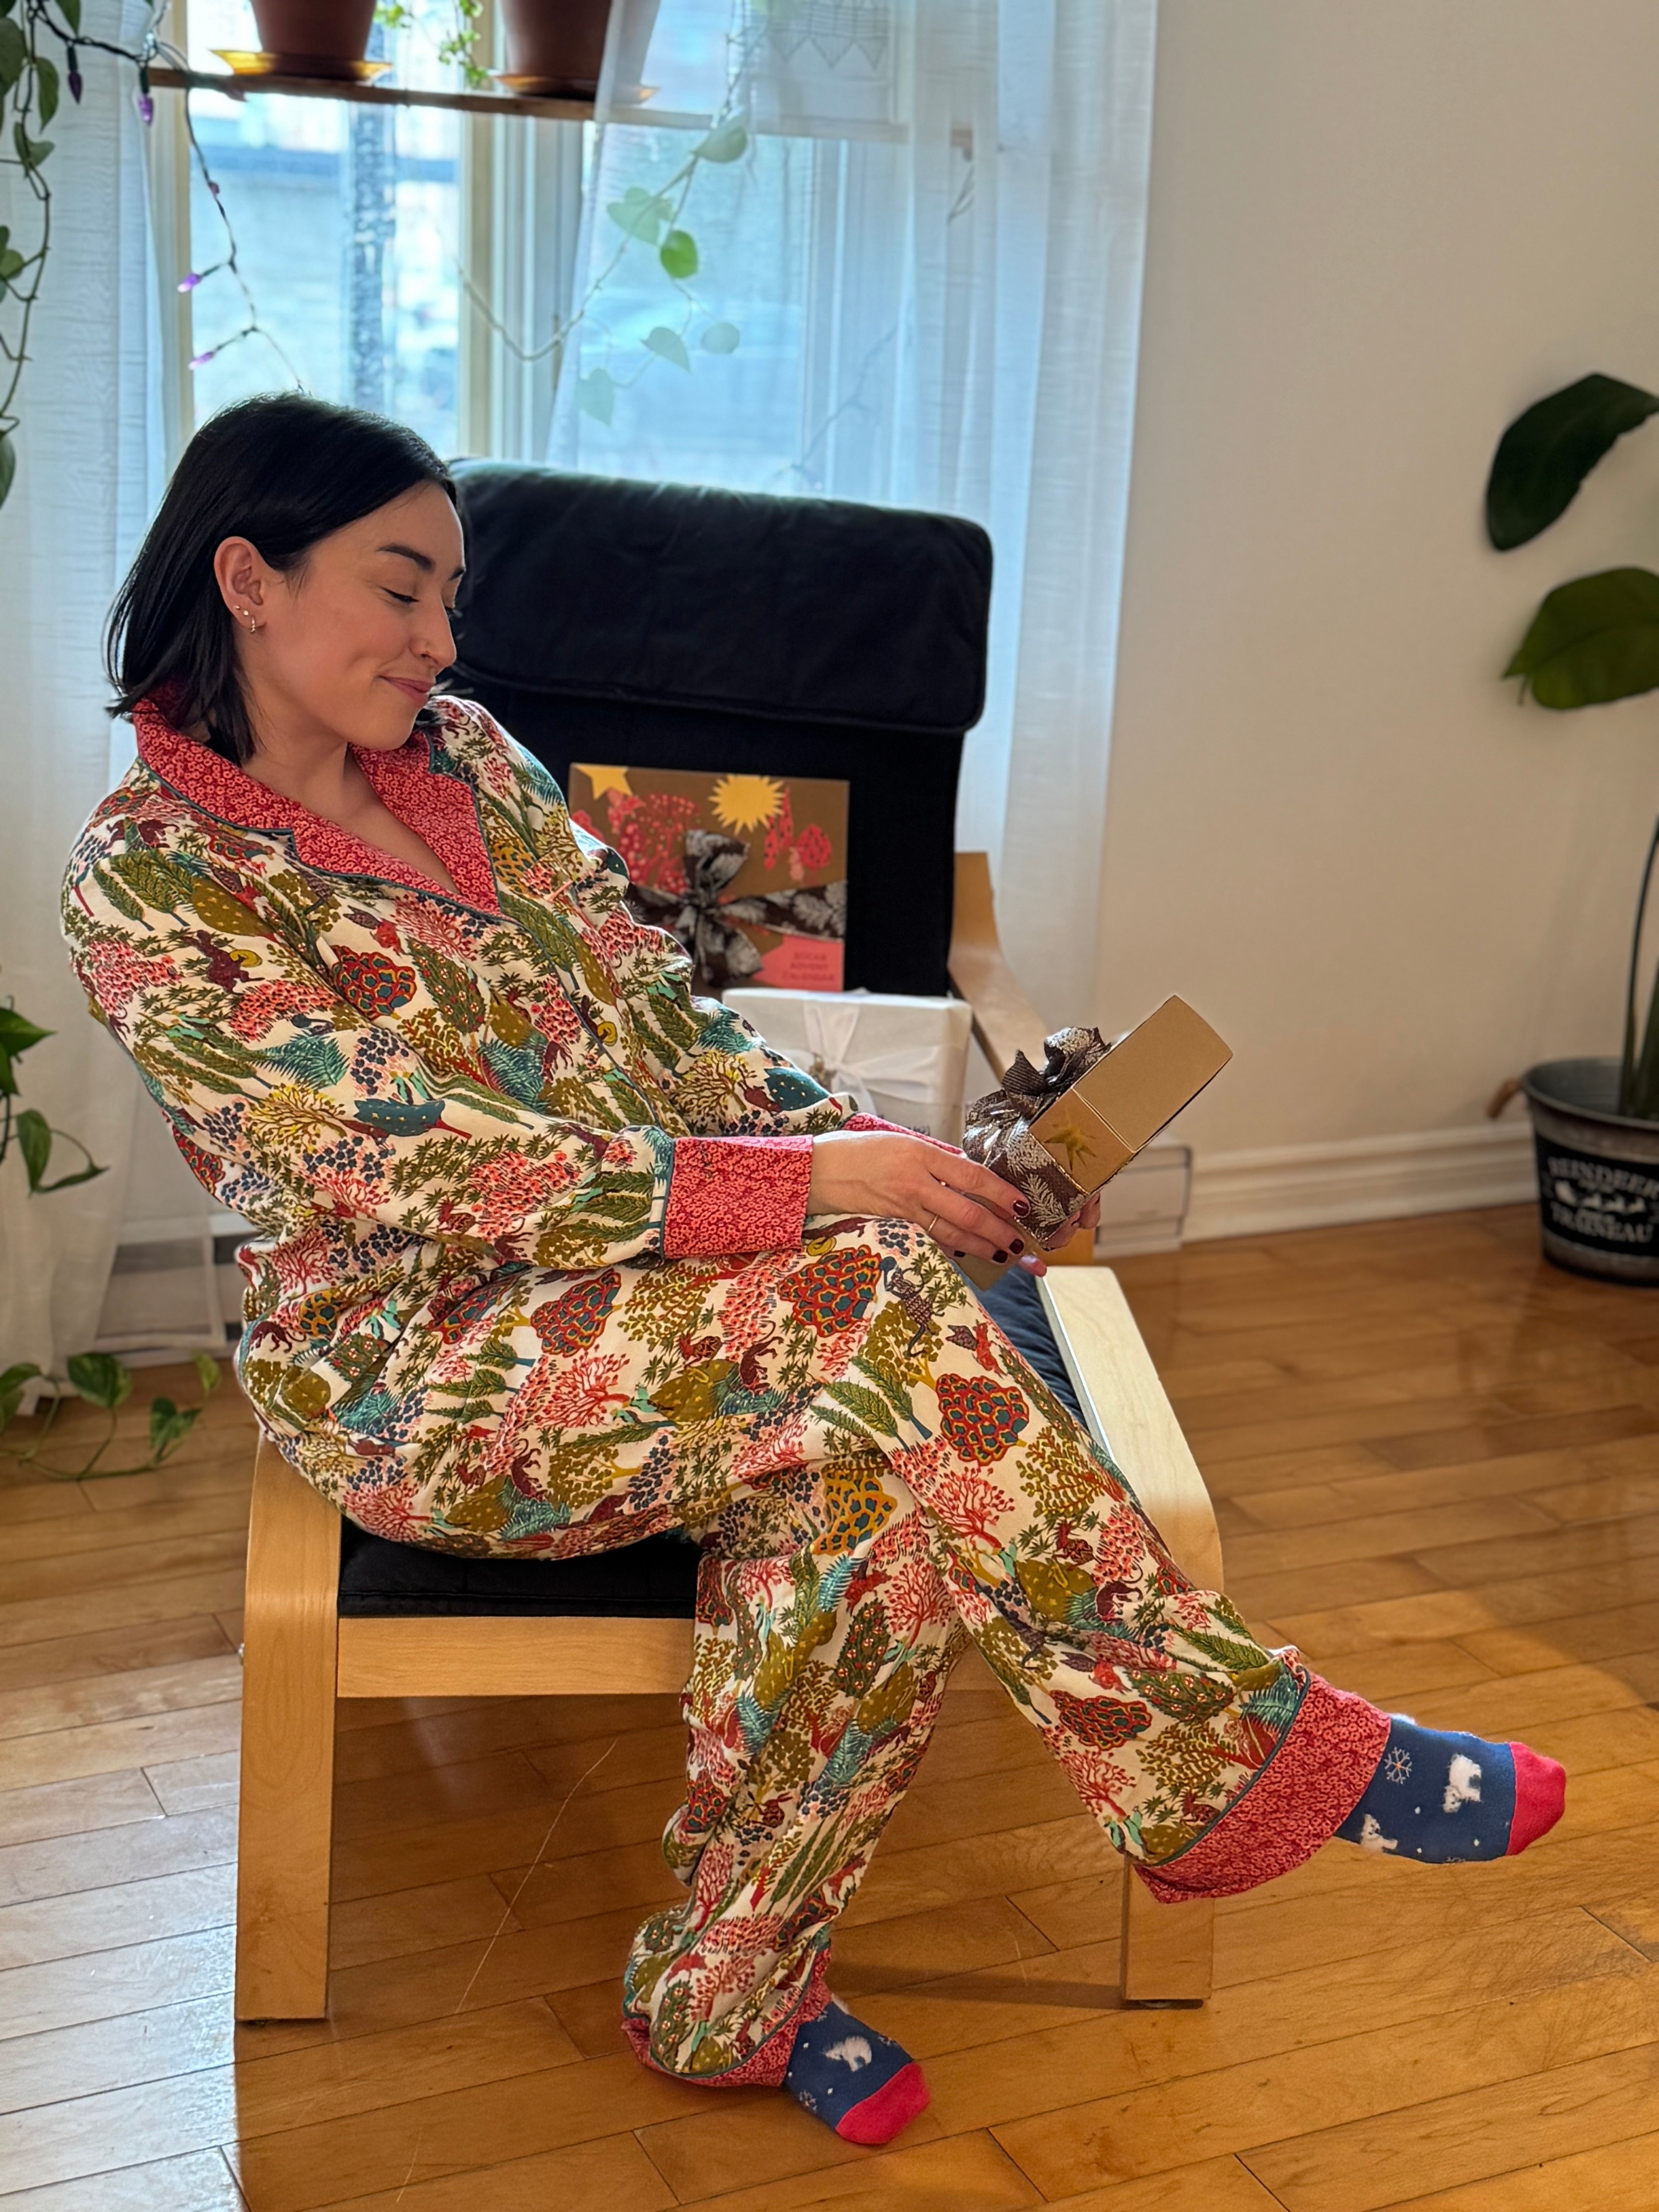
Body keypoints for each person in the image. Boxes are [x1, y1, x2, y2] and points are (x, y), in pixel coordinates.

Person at [64, 394, 1565, 2147]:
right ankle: (1225, 1749)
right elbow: (413, 1167)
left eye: (452, 598)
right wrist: (817, 1192)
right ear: (248, 576)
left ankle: (727, 1992)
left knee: (874, 1485)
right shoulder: (148, 879)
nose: (439, 640)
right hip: (418, 1372)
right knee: (870, 1316)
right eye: (401, 589)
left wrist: (897, 1165)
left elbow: (668, 1032)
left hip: (665, 1309)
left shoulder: (465, 760)